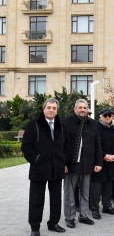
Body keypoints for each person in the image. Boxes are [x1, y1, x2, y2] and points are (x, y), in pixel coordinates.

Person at [22, 98, 67, 236]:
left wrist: (64, 162)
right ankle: (35, 227)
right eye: (49, 107)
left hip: (57, 168)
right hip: (39, 169)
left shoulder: (61, 126)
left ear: (57, 110)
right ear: (44, 109)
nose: (51, 110)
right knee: (36, 199)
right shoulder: (33, 125)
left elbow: (66, 146)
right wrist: (36, 160)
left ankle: (53, 223)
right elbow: (26, 147)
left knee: (56, 199)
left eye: (54, 108)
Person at [63, 99, 102, 228]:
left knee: (85, 193)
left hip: (88, 164)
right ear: (75, 109)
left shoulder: (93, 124)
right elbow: (61, 145)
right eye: (80, 108)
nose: (82, 110)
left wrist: (98, 162)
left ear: (87, 110)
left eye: (85, 108)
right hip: (71, 164)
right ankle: (69, 217)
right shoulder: (66, 123)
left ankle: (84, 216)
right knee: (69, 194)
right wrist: (63, 163)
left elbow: (98, 145)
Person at [90, 108, 114, 220]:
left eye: (110, 115)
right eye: (105, 115)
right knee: (96, 188)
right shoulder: (95, 128)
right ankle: (94, 209)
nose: (108, 117)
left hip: (111, 162)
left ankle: (107, 206)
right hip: (98, 162)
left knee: (108, 187)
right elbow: (92, 145)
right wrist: (104, 156)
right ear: (100, 116)